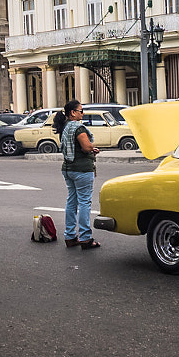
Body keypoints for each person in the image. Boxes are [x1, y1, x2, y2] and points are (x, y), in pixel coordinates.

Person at [56, 100, 101, 249]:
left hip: (68, 169)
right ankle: (85, 238)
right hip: (82, 169)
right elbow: (86, 146)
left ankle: (70, 237)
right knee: (84, 203)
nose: (83, 113)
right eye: (81, 111)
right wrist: (92, 148)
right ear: (73, 113)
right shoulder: (78, 128)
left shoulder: (65, 126)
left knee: (72, 201)